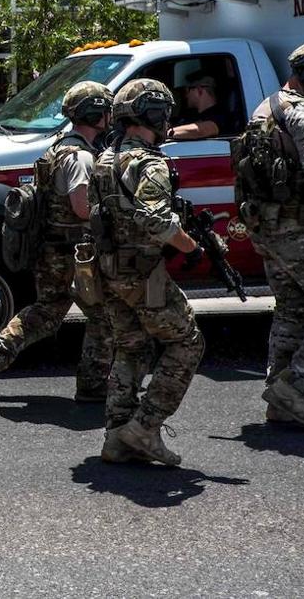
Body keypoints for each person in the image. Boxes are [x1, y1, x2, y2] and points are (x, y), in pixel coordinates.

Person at [0, 82, 114, 401]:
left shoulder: (57, 148)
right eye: (105, 109)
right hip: (76, 253)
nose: (109, 116)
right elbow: (80, 207)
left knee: (47, 312)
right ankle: (92, 384)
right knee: (104, 315)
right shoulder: (80, 157)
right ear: (94, 113)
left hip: (51, 248)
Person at [89, 79, 205, 466]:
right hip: (144, 274)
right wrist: (191, 247)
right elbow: (155, 219)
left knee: (131, 347)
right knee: (188, 342)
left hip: (109, 270)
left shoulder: (105, 158)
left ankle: (116, 438)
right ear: (152, 114)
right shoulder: (149, 161)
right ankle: (145, 426)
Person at [235, 42, 304, 429]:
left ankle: (280, 395)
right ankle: (295, 387)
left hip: (270, 231)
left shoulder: (266, 108)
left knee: (293, 308)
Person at [167, 73, 225, 140]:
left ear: (199, 90)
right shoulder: (191, 114)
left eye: (187, 90)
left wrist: (166, 133)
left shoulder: (219, 114)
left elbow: (202, 131)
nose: (186, 96)